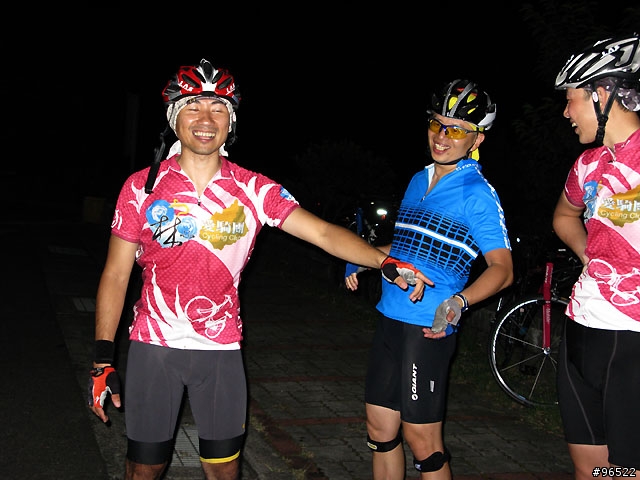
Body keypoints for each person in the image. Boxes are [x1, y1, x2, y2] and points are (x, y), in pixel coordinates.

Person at [86, 58, 428, 480]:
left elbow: (323, 232)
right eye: (193, 107)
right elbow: (116, 274)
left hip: (221, 351)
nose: (206, 119)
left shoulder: (253, 188)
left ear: (231, 121)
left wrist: (382, 260)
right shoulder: (142, 187)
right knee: (144, 469)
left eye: (219, 108)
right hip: (153, 348)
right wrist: (102, 359)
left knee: (224, 471)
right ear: (174, 118)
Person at [345, 79, 513, 479]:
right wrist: (365, 258)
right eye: (437, 124)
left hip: (429, 327)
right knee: (379, 430)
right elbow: (408, 246)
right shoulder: (418, 180)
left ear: (477, 139)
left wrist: (459, 302)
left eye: (456, 129)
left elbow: (503, 269)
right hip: (390, 317)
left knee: (423, 442)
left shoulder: (477, 193)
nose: (441, 136)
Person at [552, 33, 640, 477]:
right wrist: (592, 256)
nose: (566, 112)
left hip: (632, 339)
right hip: (581, 329)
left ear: (602, 94)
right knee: (592, 472)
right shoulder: (588, 163)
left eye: (571, 100)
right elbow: (564, 215)